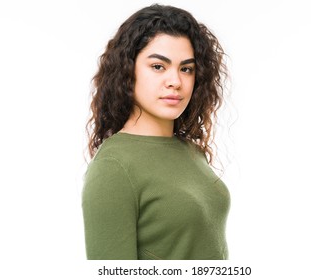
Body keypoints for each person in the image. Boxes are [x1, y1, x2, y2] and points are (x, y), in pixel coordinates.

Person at [82, 3, 230, 260]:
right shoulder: (114, 167)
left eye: (186, 69)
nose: (175, 81)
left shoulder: (192, 152)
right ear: (128, 71)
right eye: (158, 66)